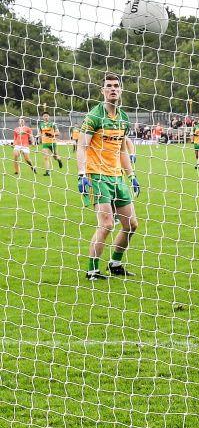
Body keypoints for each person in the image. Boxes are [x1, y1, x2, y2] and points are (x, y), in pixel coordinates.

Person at [76, 73, 140, 280]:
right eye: (108, 86)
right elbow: (82, 145)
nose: (113, 89)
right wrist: (81, 173)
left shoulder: (123, 118)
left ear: (121, 90)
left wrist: (132, 176)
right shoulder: (95, 116)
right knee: (106, 224)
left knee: (131, 225)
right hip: (97, 176)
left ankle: (115, 264)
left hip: (117, 177)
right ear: (102, 91)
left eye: (116, 86)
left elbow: (122, 150)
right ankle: (92, 270)